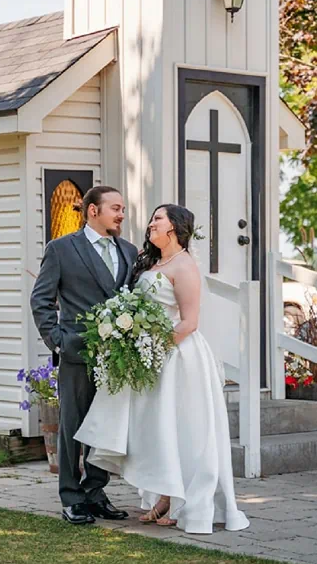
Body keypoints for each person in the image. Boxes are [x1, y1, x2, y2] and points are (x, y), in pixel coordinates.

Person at [75, 204, 250, 535]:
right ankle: (164, 495)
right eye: (153, 218)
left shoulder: (184, 266)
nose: (151, 223)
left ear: (175, 227)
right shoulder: (154, 262)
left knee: (179, 427)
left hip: (177, 357)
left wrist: (155, 349)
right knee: (157, 429)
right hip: (152, 358)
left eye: (158, 218)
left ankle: (178, 499)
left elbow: (189, 322)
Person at [30, 186, 138, 525]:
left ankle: (95, 492)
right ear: (93, 210)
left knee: (105, 426)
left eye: (123, 208)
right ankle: (71, 498)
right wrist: (58, 340)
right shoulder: (62, 249)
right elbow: (41, 300)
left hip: (116, 355)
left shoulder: (130, 250)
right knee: (72, 428)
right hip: (77, 352)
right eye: (116, 208)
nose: (122, 214)